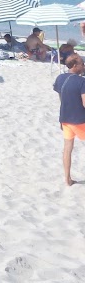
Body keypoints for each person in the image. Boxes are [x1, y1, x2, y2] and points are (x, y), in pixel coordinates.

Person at [54, 54, 85, 186]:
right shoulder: (81, 81)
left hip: (65, 119)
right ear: (74, 65)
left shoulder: (60, 78)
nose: (84, 65)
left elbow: (62, 98)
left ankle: (67, 179)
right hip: (79, 120)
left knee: (67, 149)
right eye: (82, 63)